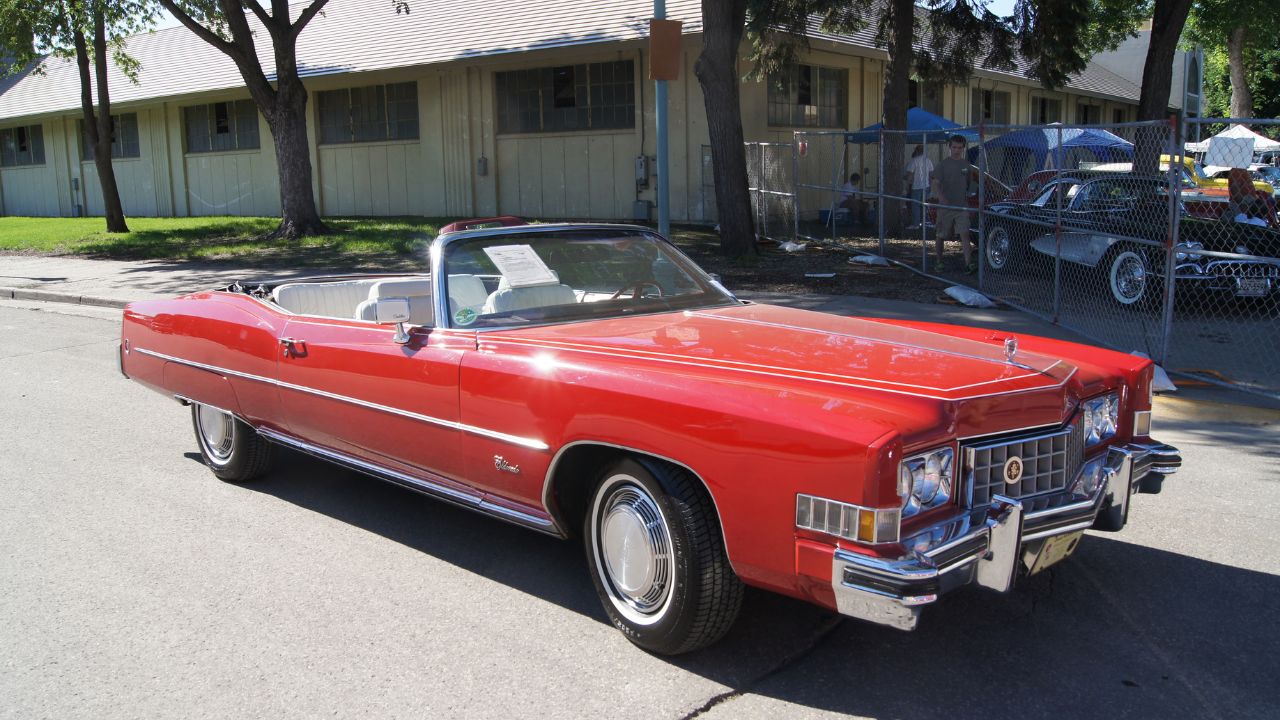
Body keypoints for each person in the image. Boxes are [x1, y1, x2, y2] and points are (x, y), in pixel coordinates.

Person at [931, 134, 977, 272]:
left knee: (965, 234)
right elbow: (935, 183)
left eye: (959, 148)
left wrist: (970, 195)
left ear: (963, 148)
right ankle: (939, 261)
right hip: (945, 207)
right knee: (941, 235)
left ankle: (968, 264)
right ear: (949, 147)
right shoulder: (942, 165)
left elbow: (969, 183)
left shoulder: (966, 165)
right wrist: (941, 197)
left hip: (961, 206)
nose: (957, 150)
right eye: (954, 147)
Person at [903, 145, 933, 228]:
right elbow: (930, 175)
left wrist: (906, 187)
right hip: (926, 186)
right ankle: (925, 222)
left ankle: (916, 224)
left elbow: (909, 175)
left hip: (916, 187)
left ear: (916, 151)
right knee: (924, 205)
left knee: (915, 206)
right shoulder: (928, 161)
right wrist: (930, 185)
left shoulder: (914, 161)